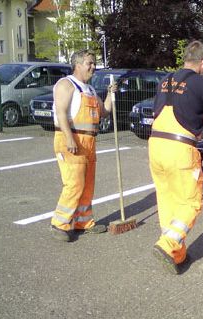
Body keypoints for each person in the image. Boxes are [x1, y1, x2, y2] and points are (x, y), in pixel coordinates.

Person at [149, 40, 203, 274]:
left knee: (168, 201)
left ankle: (177, 255)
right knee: (191, 201)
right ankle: (167, 245)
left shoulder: (165, 81)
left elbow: (157, 111)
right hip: (180, 149)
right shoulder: (201, 83)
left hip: (156, 145)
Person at [50, 49, 116, 242]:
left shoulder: (89, 89)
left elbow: (104, 111)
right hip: (72, 140)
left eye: (94, 63)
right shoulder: (66, 85)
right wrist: (69, 139)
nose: (93, 67)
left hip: (89, 142)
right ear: (77, 65)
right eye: (89, 63)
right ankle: (59, 224)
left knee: (87, 185)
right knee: (74, 183)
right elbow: (61, 113)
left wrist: (111, 94)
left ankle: (83, 222)